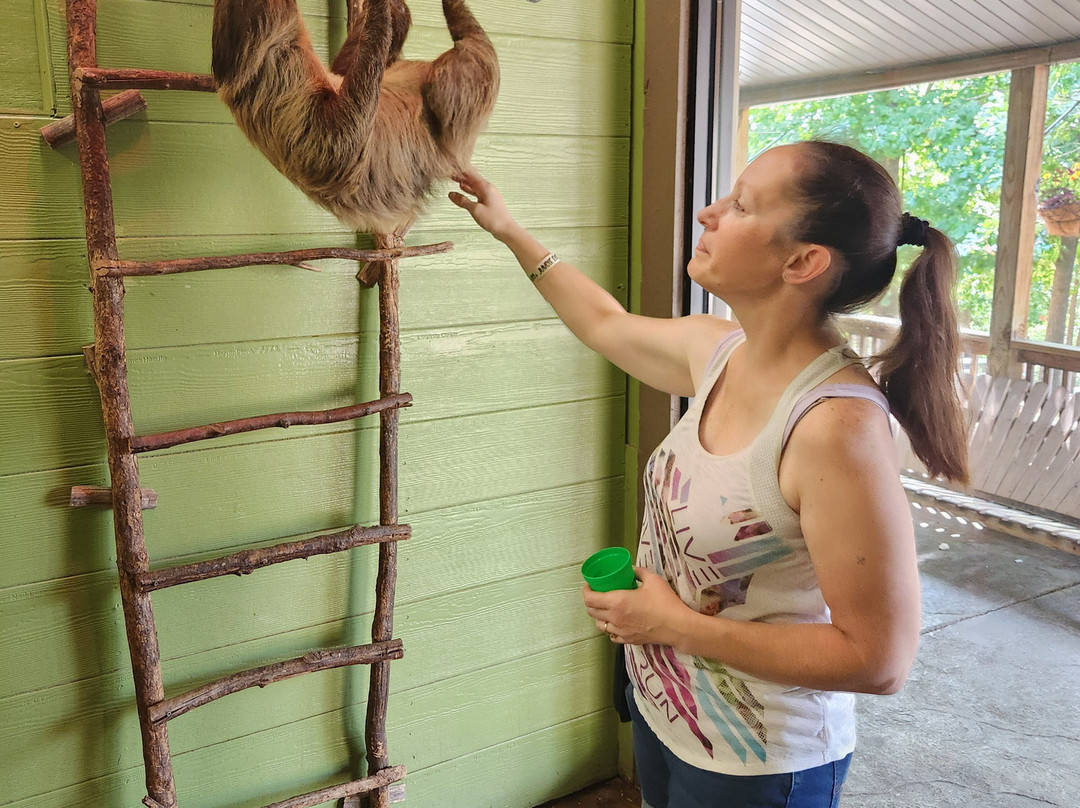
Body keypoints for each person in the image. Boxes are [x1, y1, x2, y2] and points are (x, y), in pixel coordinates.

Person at [449, 140, 968, 808]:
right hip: (667, 712)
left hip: (760, 766)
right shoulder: (718, 352)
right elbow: (605, 325)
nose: (707, 212)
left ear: (804, 261)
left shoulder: (835, 428)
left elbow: (880, 659)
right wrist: (511, 231)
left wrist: (674, 626)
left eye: (741, 206)